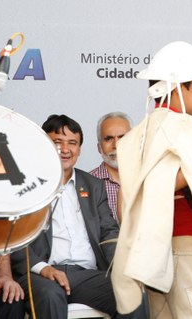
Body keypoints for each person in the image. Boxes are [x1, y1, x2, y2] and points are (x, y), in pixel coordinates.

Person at [111, 41, 192, 318]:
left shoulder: (140, 132)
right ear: (178, 87)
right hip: (190, 247)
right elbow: (165, 180)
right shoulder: (182, 126)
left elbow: (134, 193)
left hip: (153, 250)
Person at [10, 114, 121, 319]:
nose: (65, 149)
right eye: (57, 142)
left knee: (131, 293)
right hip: (42, 273)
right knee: (51, 296)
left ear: (79, 149)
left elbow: (109, 232)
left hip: (87, 274)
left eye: (72, 143)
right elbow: (13, 239)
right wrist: (43, 269)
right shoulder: (24, 185)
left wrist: (120, 266)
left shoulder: (93, 185)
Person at [89, 111, 132, 222]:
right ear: (99, 147)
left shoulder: (149, 178)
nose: (116, 145)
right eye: (108, 139)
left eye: (122, 137)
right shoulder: (87, 184)